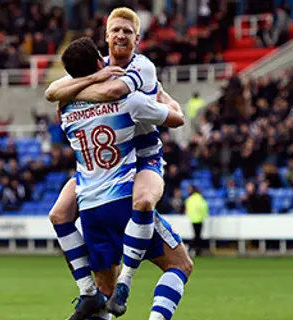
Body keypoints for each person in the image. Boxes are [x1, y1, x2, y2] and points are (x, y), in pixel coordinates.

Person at [45, 8, 189, 319]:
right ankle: (97, 290)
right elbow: (56, 90)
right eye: (116, 30)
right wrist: (95, 79)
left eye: (127, 31)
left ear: (137, 39)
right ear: (106, 38)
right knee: (60, 213)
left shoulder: (141, 68)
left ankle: (105, 287)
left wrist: (79, 91)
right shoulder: (113, 82)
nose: (121, 35)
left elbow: (60, 93)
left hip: (138, 158)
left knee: (144, 199)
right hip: (112, 170)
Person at [184, 186, 209, 256]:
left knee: (196, 236)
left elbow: (186, 208)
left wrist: (190, 215)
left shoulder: (189, 199)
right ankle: (193, 248)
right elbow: (204, 208)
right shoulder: (200, 199)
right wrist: (204, 216)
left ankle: (195, 249)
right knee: (198, 236)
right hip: (200, 219)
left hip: (192, 219)